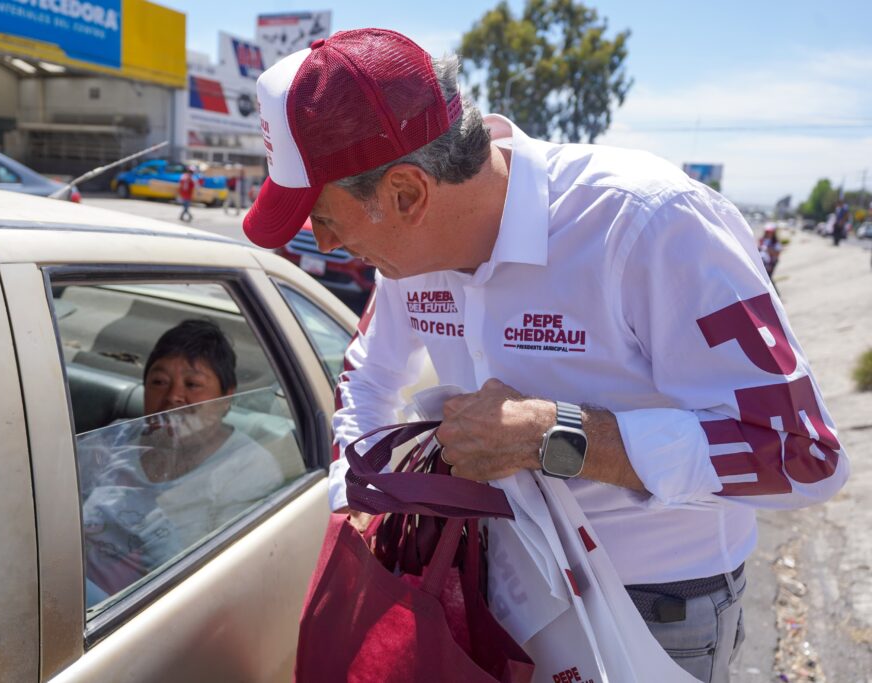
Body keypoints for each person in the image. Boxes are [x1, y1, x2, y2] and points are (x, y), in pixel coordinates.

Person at [241, 28, 849, 683]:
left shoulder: (646, 222)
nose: (319, 240)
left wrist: (561, 435)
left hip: (653, 615)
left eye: (324, 217)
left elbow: (805, 455)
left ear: (408, 193)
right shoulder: (404, 259)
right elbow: (367, 377)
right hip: (493, 589)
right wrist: (356, 497)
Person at [78, 319, 283, 597]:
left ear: (227, 398)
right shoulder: (117, 439)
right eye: (159, 382)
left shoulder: (248, 468)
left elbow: (216, 582)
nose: (174, 396)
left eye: (193, 384)